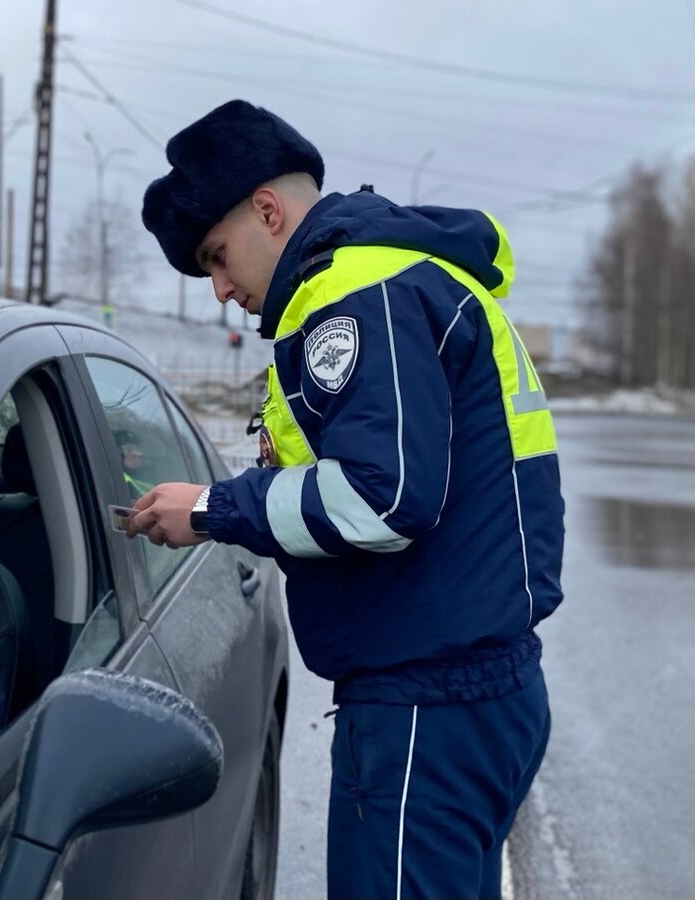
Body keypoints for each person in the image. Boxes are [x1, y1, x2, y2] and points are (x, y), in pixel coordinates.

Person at [130, 99, 563, 899]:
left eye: (218, 257)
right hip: (470, 688)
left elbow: (382, 496)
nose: (220, 289)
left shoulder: (355, 295)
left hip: (425, 708)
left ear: (268, 209)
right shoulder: (404, 275)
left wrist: (213, 510)